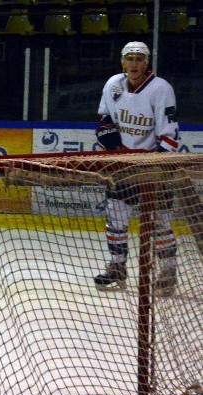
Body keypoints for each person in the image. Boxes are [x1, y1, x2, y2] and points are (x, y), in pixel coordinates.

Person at [94, 41, 181, 296]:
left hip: (153, 165)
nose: (134, 63)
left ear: (147, 63)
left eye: (139, 59)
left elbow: (169, 133)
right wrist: (109, 139)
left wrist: (159, 165)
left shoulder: (160, 89)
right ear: (123, 62)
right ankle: (118, 267)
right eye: (130, 58)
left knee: (160, 224)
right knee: (116, 219)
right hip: (122, 165)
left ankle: (167, 271)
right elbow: (105, 118)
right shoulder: (113, 85)